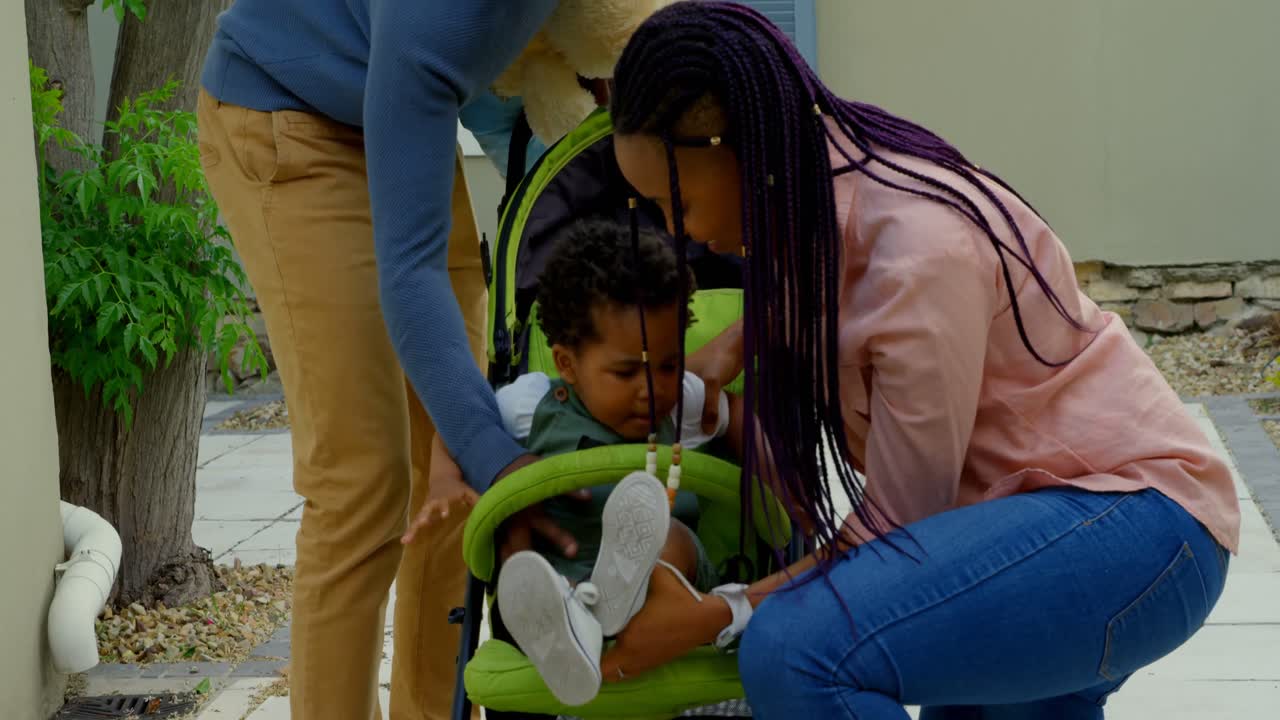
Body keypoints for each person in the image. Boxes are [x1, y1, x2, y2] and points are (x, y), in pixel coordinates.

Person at [594, 3, 1242, 719]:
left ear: (741, 150)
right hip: (1030, 523)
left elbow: (898, 530)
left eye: (672, 201)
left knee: (796, 648)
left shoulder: (916, 254)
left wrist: (720, 613)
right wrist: (715, 361)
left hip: (1130, 522)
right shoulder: (814, 205)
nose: (671, 229)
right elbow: (804, 309)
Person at [194, 3, 590, 719]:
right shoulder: (440, 15)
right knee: (362, 481)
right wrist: (503, 461)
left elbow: (531, 131)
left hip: (407, 118)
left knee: (449, 480)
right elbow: (410, 274)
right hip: (293, 118)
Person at [404, 220, 740, 706]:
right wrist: (442, 481)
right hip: (567, 582)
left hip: (672, 592)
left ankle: (617, 613)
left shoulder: (681, 400)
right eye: (626, 371)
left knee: (669, 536)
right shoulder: (532, 404)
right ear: (567, 364)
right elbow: (462, 431)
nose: (652, 387)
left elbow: (734, 414)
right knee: (522, 559)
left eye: (667, 365)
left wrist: (777, 483)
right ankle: (565, 629)